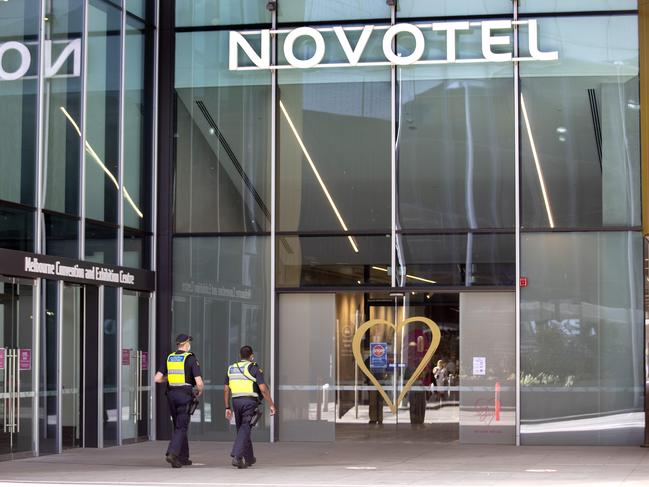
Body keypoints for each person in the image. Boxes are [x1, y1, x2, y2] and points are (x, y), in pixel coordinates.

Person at [154, 334, 204, 468]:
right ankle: (172, 453)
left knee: (178, 426)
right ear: (186, 344)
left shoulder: (169, 357)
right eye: (189, 343)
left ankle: (183, 457)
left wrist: (168, 379)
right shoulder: (190, 358)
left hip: (171, 395)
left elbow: (157, 378)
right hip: (184, 395)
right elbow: (199, 382)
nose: (189, 345)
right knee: (182, 426)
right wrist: (200, 390)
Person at [224, 345, 277, 469]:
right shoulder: (253, 368)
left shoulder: (231, 368)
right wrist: (271, 405)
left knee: (242, 429)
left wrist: (227, 407)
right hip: (249, 401)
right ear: (251, 355)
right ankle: (237, 456)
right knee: (245, 428)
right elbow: (263, 389)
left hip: (236, 401)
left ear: (240, 355)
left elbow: (226, 390)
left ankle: (249, 458)